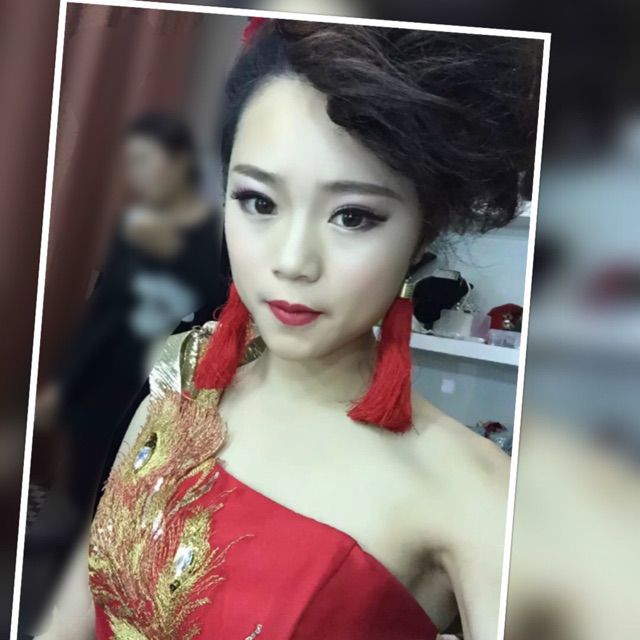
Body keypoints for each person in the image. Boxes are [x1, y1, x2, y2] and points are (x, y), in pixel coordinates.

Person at [35, 18, 541, 640]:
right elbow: (74, 609)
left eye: (353, 216)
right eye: (259, 202)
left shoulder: (474, 495)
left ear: (422, 233)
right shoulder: (180, 384)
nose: (293, 261)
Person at [23, 112, 229, 638]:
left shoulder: (220, 240)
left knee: (123, 488)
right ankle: (60, 587)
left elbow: (214, 314)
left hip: (162, 382)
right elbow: (101, 311)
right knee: (82, 474)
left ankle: (105, 586)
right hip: (109, 371)